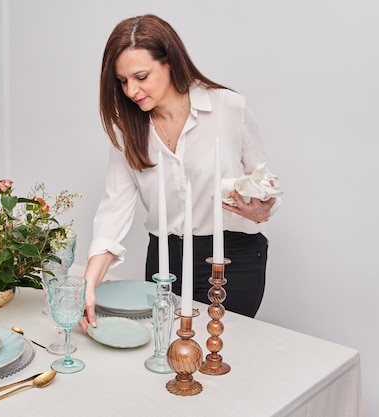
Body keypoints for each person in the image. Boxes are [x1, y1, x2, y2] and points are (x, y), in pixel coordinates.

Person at [80, 14, 281, 331]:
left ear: (170, 62)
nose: (131, 90)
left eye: (141, 76)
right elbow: (113, 210)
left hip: (232, 259)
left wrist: (261, 207)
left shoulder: (229, 108)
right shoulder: (126, 129)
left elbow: (262, 182)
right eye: (122, 81)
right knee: (167, 354)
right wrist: (89, 283)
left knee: (222, 356)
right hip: (165, 259)